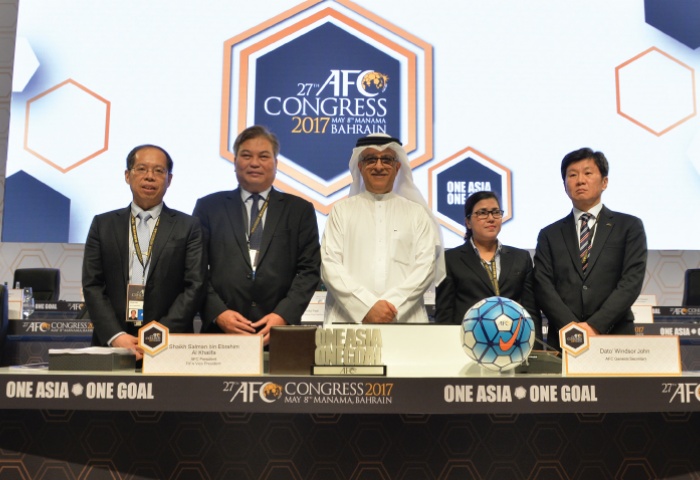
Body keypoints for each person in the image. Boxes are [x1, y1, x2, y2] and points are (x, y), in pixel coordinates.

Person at [193, 125, 320, 344]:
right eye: (246, 155)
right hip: (220, 333)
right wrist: (218, 312)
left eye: (263, 156)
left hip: (279, 334)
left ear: (276, 163)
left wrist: (283, 316)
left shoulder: (299, 210)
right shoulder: (209, 207)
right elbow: (195, 269)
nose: (254, 163)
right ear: (235, 162)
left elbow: (309, 271)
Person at [82, 145, 206, 360]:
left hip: (169, 345)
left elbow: (195, 285)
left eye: (159, 171)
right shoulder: (103, 224)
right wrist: (116, 336)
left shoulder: (188, 226)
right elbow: (92, 284)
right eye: (141, 169)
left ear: (169, 179)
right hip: (113, 343)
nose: (150, 176)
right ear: (127, 175)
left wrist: (156, 336)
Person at [321, 133, 444, 324]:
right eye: (371, 159)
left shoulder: (417, 214)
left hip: (405, 321)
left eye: (386, 160)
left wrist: (391, 306)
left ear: (397, 167)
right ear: (360, 167)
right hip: (349, 321)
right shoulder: (341, 211)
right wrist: (366, 307)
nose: (379, 166)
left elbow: (426, 267)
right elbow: (330, 265)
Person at [534, 147, 647, 350]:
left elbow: (631, 282)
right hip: (563, 338)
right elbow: (543, 286)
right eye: (572, 175)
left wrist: (595, 325)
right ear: (564, 185)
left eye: (587, 173)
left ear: (604, 182)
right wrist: (572, 328)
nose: (580, 180)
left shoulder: (629, 226)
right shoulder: (549, 234)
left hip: (615, 336)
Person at [436, 191, 542, 341]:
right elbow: (445, 313)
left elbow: (531, 310)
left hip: (513, 343)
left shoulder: (520, 258)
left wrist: (535, 348)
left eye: (496, 212)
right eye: (482, 213)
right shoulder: (451, 259)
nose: (491, 218)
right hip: (469, 343)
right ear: (468, 222)